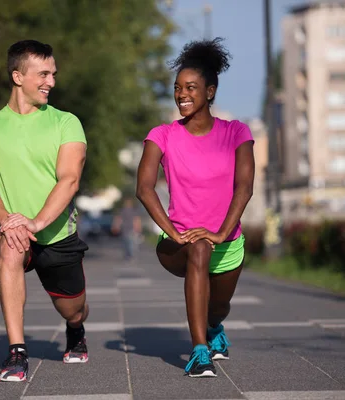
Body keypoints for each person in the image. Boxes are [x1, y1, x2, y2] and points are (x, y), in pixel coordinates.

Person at [0, 40, 90, 382]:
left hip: (56, 233)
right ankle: (17, 352)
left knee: (74, 308)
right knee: (9, 248)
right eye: (44, 74)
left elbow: (69, 180)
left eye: (53, 74)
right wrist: (8, 221)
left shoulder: (67, 123)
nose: (51, 81)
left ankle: (76, 330)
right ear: (18, 76)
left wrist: (35, 221)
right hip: (11, 228)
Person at [136, 38, 255, 378]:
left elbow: (244, 188)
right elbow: (144, 189)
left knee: (218, 307)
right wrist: (173, 231)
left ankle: (214, 326)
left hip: (228, 242)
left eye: (191, 87)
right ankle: (199, 351)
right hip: (179, 243)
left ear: (210, 91)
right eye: (177, 88)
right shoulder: (163, 134)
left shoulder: (237, 132)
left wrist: (221, 232)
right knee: (199, 249)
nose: (182, 94)